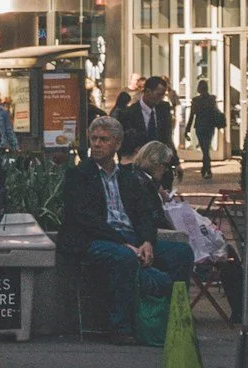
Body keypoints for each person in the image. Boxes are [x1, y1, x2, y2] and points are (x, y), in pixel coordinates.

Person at [56, 116, 190, 345]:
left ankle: (173, 320)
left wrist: (147, 242)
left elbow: (144, 214)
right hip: (96, 239)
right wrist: (122, 242)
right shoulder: (79, 175)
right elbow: (85, 218)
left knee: (181, 253)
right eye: (94, 139)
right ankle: (121, 327)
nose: (97, 144)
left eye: (104, 140)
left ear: (117, 144)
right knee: (124, 257)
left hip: (132, 238)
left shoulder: (128, 177)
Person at [191, 79, 225, 180]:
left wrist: (187, 129)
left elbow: (192, 115)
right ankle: (206, 168)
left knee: (204, 148)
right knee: (206, 147)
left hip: (200, 127)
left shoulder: (196, 100)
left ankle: (206, 168)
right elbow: (216, 111)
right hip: (210, 126)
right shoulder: (212, 99)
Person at [139, 76, 177, 151]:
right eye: (159, 94)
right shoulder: (131, 113)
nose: (161, 98)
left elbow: (167, 137)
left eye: (163, 95)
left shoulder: (164, 108)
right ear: (148, 92)